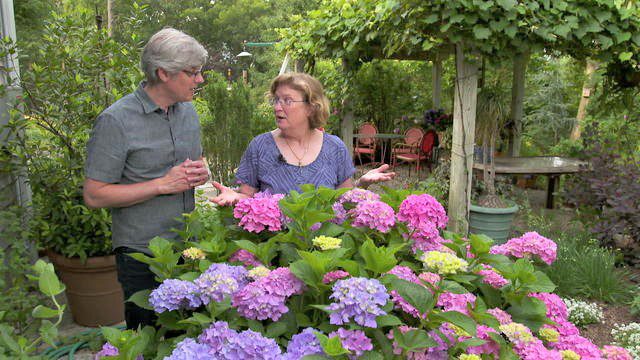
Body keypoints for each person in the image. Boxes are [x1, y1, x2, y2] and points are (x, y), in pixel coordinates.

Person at [83, 28, 210, 329]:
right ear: (164, 73)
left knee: (188, 336)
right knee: (148, 336)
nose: (200, 80)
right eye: (193, 73)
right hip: (142, 255)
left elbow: (190, 169)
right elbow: (94, 195)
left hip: (187, 246)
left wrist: (201, 173)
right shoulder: (116, 120)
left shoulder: (188, 112)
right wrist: (161, 185)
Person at [211, 72, 394, 206]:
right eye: (275, 100)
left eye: (287, 101)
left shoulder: (334, 147)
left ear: (311, 108)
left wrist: (361, 184)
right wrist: (235, 197)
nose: (277, 107)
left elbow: (343, 200)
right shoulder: (260, 146)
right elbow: (247, 197)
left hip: (323, 250)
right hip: (273, 248)